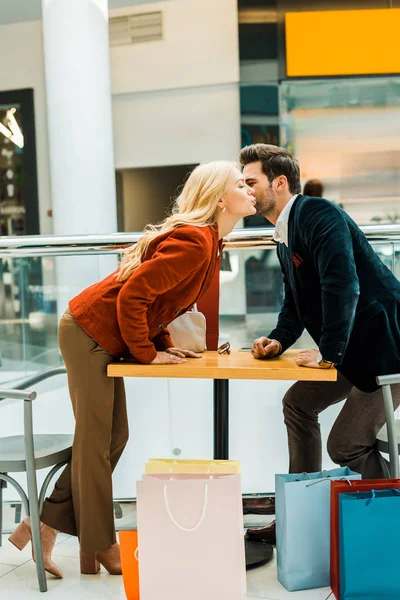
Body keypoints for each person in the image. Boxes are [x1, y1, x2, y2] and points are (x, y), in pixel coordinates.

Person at [8, 161, 256, 577]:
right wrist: (147, 353)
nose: (249, 189)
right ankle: (100, 543)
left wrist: (164, 345)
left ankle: (43, 524)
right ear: (218, 199)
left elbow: (156, 301)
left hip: (104, 334)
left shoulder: (211, 241)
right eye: (240, 184)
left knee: (112, 436)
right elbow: (133, 297)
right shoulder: (197, 240)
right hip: (90, 331)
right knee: (95, 441)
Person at [239, 143, 400, 543]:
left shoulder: (317, 213)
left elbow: (343, 284)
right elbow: (294, 305)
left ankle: (385, 520)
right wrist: (277, 340)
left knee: (345, 445)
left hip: (387, 350)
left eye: (251, 182)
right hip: (353, 350)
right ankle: (300, 517)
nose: (245, 190)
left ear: (279, 183)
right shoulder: (284, 235)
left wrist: (328, 353)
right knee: (298, 404)